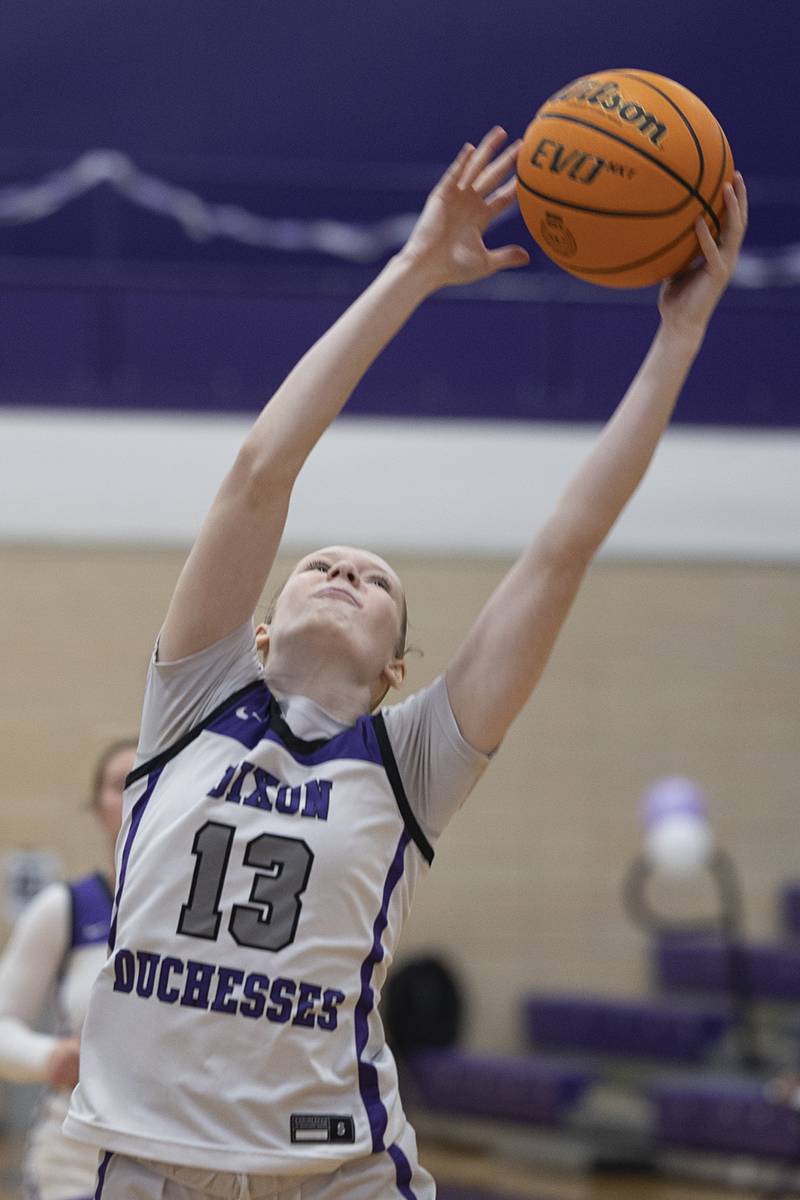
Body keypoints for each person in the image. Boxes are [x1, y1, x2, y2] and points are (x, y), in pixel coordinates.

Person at [63, 129, 747, 1199]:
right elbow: (259, 472)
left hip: (338, 1172)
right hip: (145, 1164)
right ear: (253, 629)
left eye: (372, 580)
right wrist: (417, 266)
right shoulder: (195, 698)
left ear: (394, 666)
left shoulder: (411, 756)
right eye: (319, 564)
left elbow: (559, 549)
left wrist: (679, 337)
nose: (340, 570)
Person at [0, 739, 137, 1200]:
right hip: (76, 1164)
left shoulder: (212, 919)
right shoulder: (67, 907)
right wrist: (49, 1057)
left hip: (183, 1160)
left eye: (149, 776)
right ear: (97, 807)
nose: (137, 791)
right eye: (120, 783)